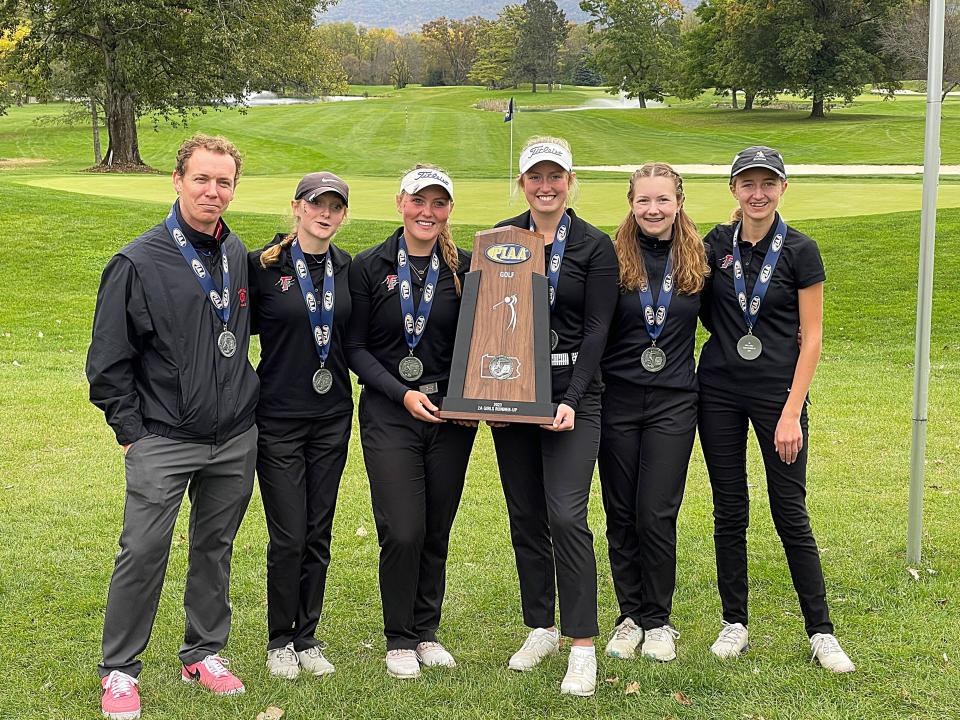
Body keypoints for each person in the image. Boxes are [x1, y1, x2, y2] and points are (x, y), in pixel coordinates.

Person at [86, 134, 259, 720]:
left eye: (224, 182)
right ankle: (119, 671)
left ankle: (203, 653)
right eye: (203, 179)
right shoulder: (137, 261)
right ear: (178, 181)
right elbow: (108, 364)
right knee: (142, 550)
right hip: (163, 438)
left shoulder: (234, 252)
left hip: (233, 438)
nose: (213, 191)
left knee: (215, 548)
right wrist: (134, 433)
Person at [698, 146, 855, 672]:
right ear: (733, 190)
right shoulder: (713, 245)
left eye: (768, 183)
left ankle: (821, 631)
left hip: (778, 397)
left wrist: (791, 412)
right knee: (729, 508)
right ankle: (734, 622)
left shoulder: (801, 251)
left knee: (790, 512)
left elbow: (812, 338)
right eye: (748, 184)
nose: (758, 193)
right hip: (717, 391)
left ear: (783, 188)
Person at [489, 137, 618, 697]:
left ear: (570, 180)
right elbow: (489, 319)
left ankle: (582, 644)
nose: (546, 186)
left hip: (573, 393)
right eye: (535, 176)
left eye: (555, 176)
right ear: (523, 183)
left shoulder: (593, 245)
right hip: (514, 392)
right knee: (526, 516)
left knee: (566, 516)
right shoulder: (503, 238)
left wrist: (571, 397)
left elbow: (597, 332)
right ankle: (540, 625)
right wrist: (487, 395)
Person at [346, 164, 476, 680]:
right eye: (419, 201)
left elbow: (482, 343)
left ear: (449, 211)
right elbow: (354, 348)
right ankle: (398, 637)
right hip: (389, 411)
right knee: (402, 528)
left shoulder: (464, 268)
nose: (428, 212)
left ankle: (425, 631)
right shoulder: (369, 266)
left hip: (448, 413)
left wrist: (474, 400)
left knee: (436, 527)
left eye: (439, 203)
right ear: (400, 201)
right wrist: (401, 394)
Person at [598, 163, 710, 663]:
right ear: (631, 203)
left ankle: (659, 620)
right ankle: (629, 616)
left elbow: (733, 314)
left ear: (679, 201)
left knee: (656, 513)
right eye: (644, 200)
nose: (653, 210)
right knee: (621, 512)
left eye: (663, 200)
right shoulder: (609, 256)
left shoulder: (699, 258)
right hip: (617, 399)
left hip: (674, 402)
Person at [248, 172, 353, 680]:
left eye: (334, 206)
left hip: (332, 416)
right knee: (287, 534)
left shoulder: (345, 266)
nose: (325, 214)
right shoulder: (264, 266)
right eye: (316, 204)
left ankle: (306, 636)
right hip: (279, 418)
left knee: (318, 531)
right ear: (296, 208)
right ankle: (278, 640)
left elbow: (355, 342)